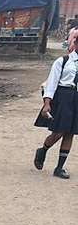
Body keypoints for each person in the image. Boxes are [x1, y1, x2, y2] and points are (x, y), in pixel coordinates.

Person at [34, 38, 78, 179]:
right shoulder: (63, 61)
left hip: (76, 99)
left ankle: (59, 168)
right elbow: (51, 83)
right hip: (63, 96)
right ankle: (43, 150)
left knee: (70, 133)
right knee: (58, 132)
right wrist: (47, 103)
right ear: (76, 44)